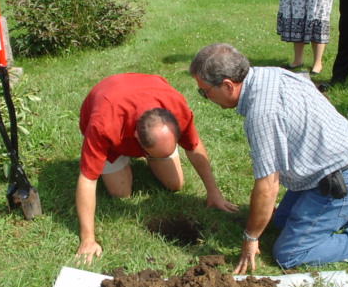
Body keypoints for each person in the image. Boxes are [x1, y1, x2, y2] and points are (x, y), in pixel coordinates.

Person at [190, 43, 348, 274]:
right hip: (331, 170)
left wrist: (250, 238)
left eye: (205, 92)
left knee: (290, 253)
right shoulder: (270, 74)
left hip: (341, 179)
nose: (205, 97)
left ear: (228, 85)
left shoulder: (262, 114)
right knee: (279, 222)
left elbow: (268, 187)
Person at [75, 73, 238, 263]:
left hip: (144, 107)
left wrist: (214, 193)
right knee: (121, 192)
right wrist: (88, 239)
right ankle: (124, 157)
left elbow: (194, 147)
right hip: (111, 117)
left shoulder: (177, 109)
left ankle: (156, 155)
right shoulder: (103, 123)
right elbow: (87, 178)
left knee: (174, 184)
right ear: (137, 137)